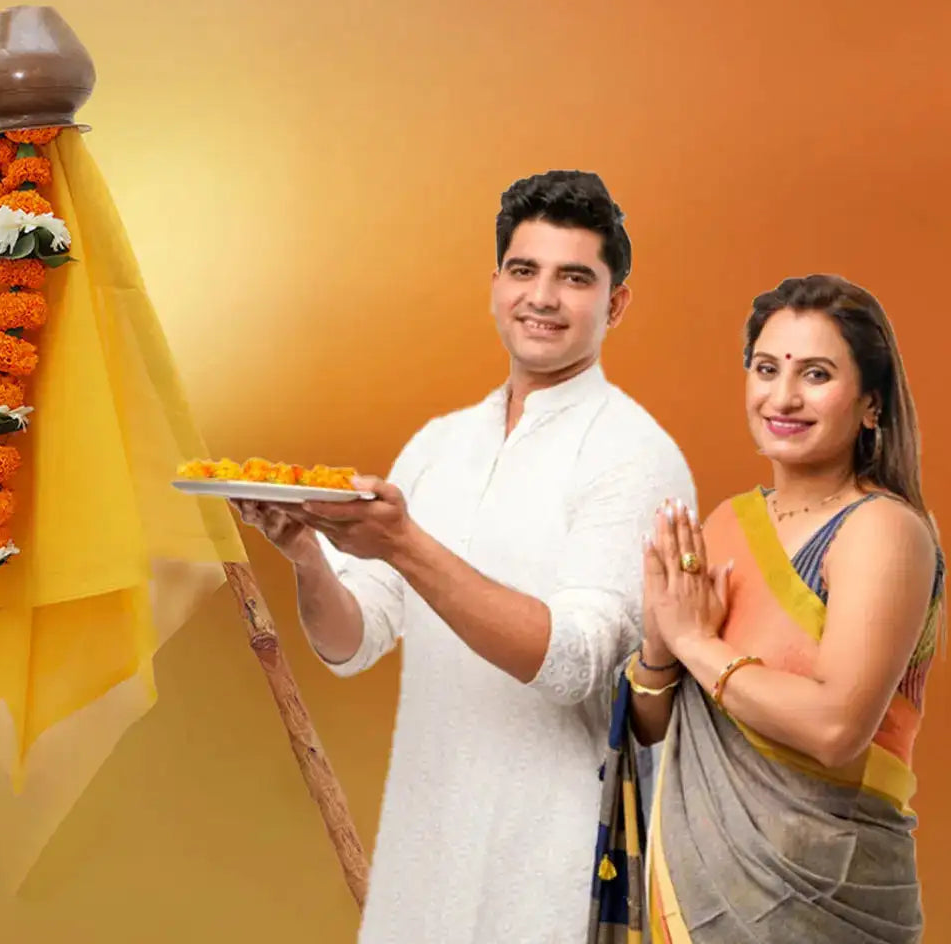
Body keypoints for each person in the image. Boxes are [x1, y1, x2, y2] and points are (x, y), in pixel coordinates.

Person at [234, 170, 695, 943]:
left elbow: (578, 663)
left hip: (552, 863)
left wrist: (406, 545)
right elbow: (353, 642)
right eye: (524, 270)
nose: (542, 298)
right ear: (495, 285)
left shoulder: (634, 456)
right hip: (424, 852)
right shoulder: (441, 443)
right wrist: (308, 555)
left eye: (573, 278)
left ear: (615, 303)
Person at [602, 274, 943, 943]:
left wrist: (698, 643)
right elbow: (654, 729)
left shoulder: (884, 531)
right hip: (700, 887)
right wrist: (660, 647)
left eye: (816, 374)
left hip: (826, 900)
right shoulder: (730, 522)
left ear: (872, 404)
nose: (783, 396)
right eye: (766, 368)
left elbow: (837, 728)